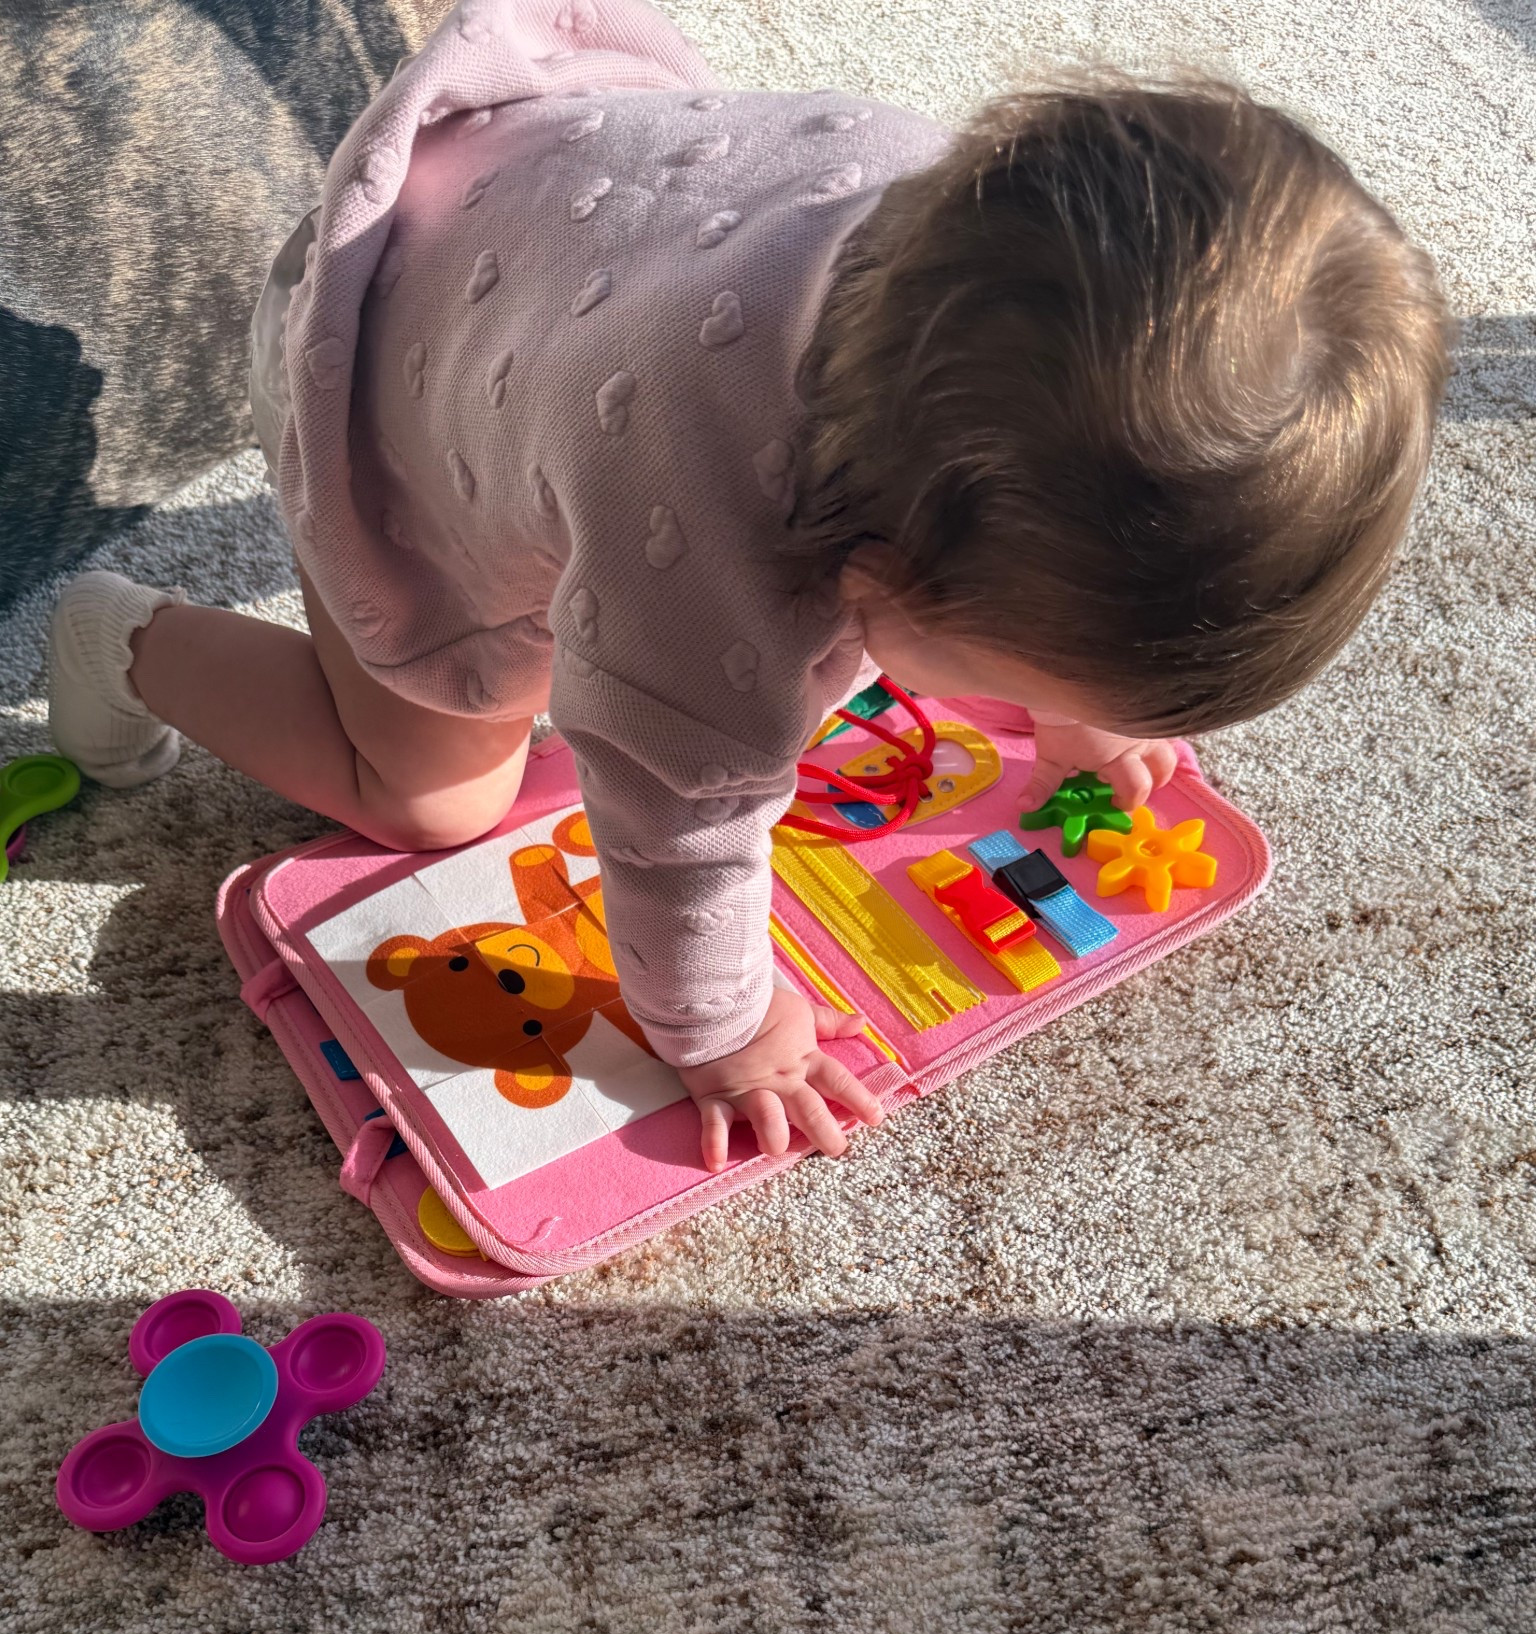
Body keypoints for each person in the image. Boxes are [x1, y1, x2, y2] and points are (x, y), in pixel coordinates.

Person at [46, 0, 1451, 1171]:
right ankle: (124, 640)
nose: (1007, 713)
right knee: (434, 796)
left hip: (540, 199)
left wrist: (1075, 711)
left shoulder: (974, 232)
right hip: (370, 370)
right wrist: (717, 1026)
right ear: (874, 574)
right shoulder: (722, 570)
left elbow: (1056, 479)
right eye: (1012, 685)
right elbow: (672, 832)